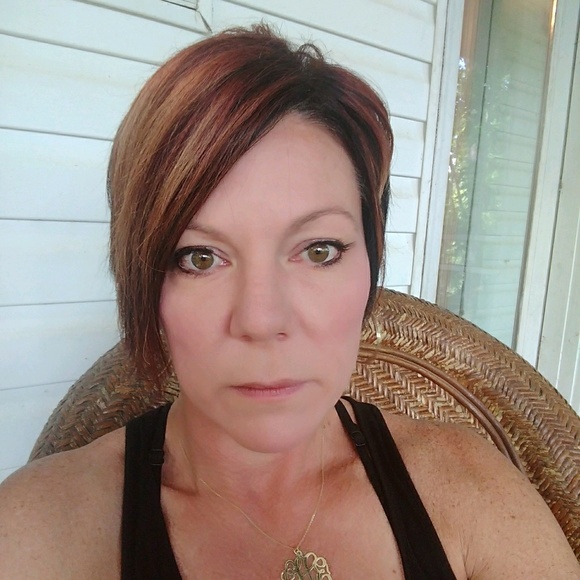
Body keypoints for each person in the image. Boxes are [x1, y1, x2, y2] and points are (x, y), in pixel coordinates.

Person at [0, 24, 578, 580]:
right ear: (143, 286)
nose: (261, 320)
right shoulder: (40, 532)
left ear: (370, 263)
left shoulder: (471, 491)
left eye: (319, 250)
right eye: (199, 258)